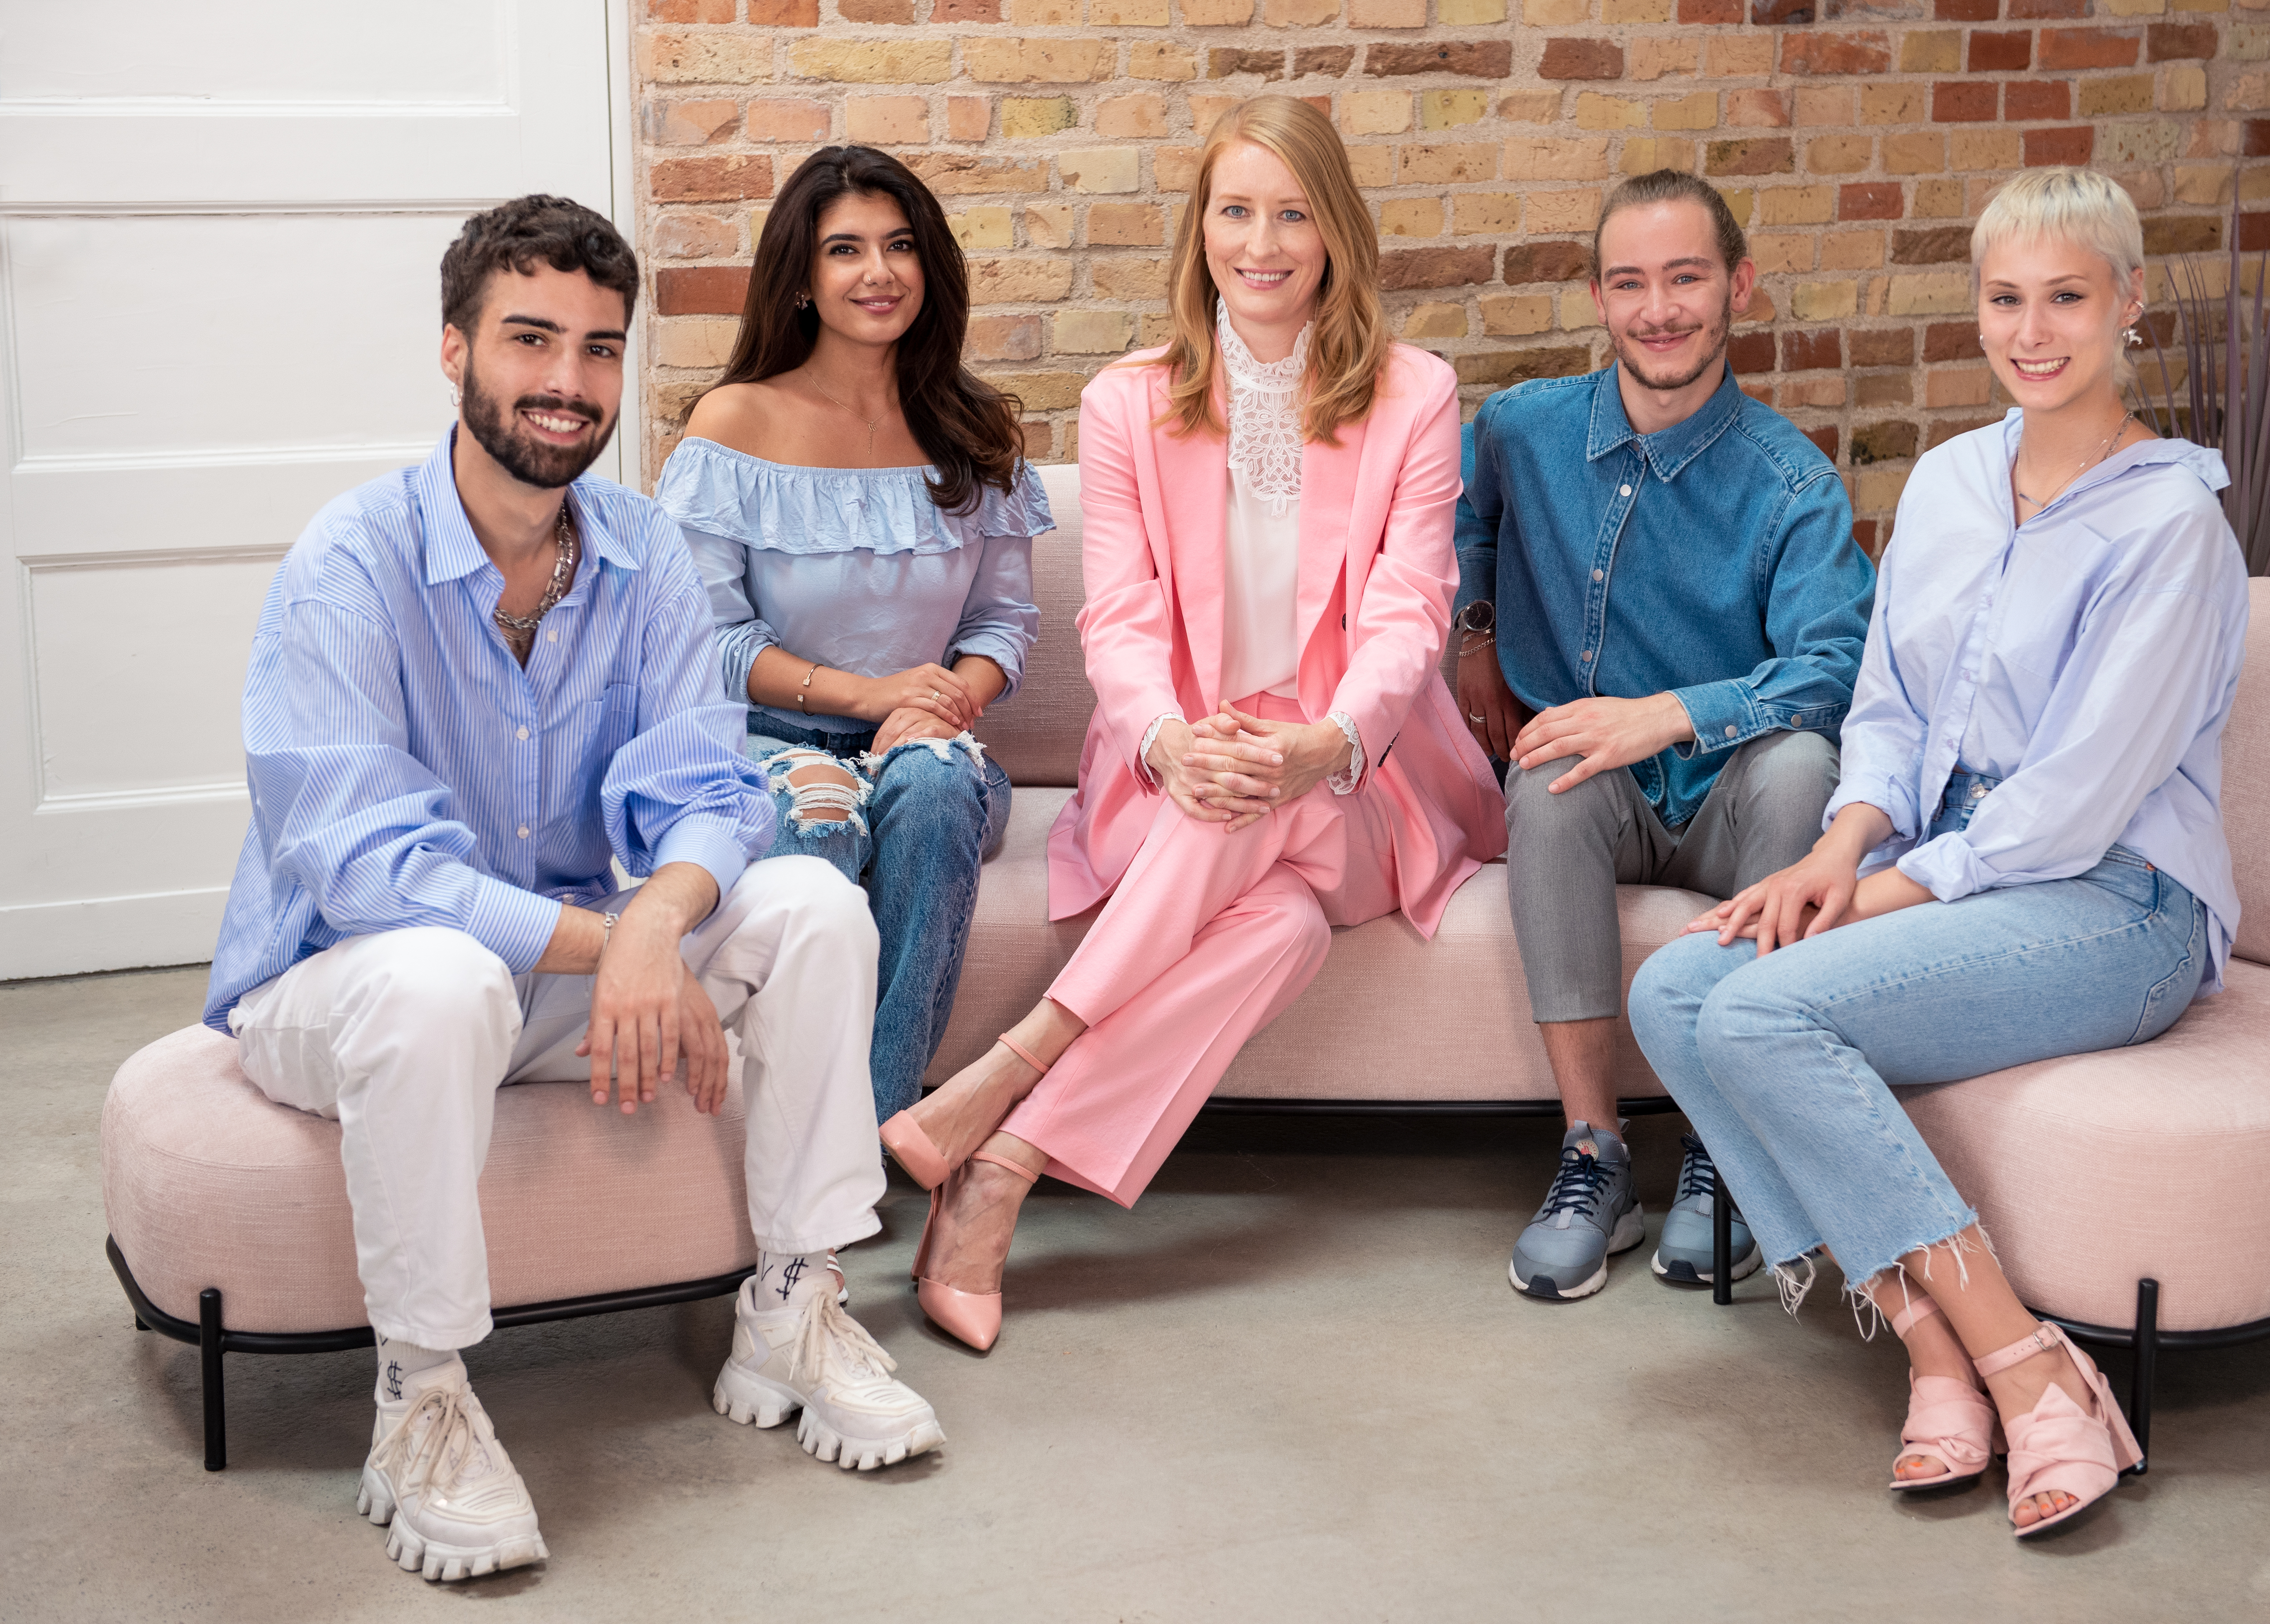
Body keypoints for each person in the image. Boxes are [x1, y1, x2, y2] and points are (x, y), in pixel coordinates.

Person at [203, 197, 942, 1585]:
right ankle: (418, 1395)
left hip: (550, 969)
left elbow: (705, 789)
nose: (567, 381)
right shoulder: (348, 565)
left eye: (600, 349)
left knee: (814, 910)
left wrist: (657, 920)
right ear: (452, 348)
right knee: (440, 969)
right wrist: (619, 938)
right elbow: (370, 864)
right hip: (343, 982)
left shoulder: (640, 548)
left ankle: (794, 1298)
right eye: (529, 338)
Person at [1626, 166, 2245, 1539]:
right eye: (2004, 297)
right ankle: (1928, 1347)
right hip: (1941, 854)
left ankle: (2028, 1370)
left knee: (1770, 1004)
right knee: (1672, 988)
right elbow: (1890, 711)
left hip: (2114, 900)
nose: (2031, 330)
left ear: (2127, 303)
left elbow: (2075, 801)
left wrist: (1880, 892)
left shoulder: (2170, 525)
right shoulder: (1956, 480)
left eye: (2066, 298)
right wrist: (1838, 845)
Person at [869, 96, 1506, 1352]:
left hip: (1357, 779)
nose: (1260, 242)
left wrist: (1325, 744)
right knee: (1274, 930)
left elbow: (1407, 610)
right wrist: (1167, 741)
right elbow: (1118, 618)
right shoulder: (1128, 403)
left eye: (1291, 213)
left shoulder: (1415, 396)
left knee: (1261, 800)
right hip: (1175, 771)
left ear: (1334, 232)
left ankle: (1004, 1071)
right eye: (1235, 211)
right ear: (1199, 227)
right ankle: (997, 1178)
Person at [1453, 169, 1875, 1301]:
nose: (1660, 309)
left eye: (1686, 278)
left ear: (1737, 286)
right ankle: (1593, 1156)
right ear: (1598, 297)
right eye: (1632, 283)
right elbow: (1456, 524)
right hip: (1598, 801)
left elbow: (1836, 669)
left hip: (1736, 798)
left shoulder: (1792, 484)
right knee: (1549, 772)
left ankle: (1728, 1150)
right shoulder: (1519, 432)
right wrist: (1476, 632)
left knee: (1803, 765)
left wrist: (1676, 713)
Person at [658, 145, 1048, 1125]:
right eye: (845, 249)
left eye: (900, 244)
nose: (879, 272)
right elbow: (709, 642)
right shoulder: (735, 423)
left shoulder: (973, 426)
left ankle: (861, 1143)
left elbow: (1002, 622)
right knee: (816, 815)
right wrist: (868, 696)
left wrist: (944, 705)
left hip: (931, 745)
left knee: (934, 788)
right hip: (766, 745)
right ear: (800, 277)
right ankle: (789, 1132)